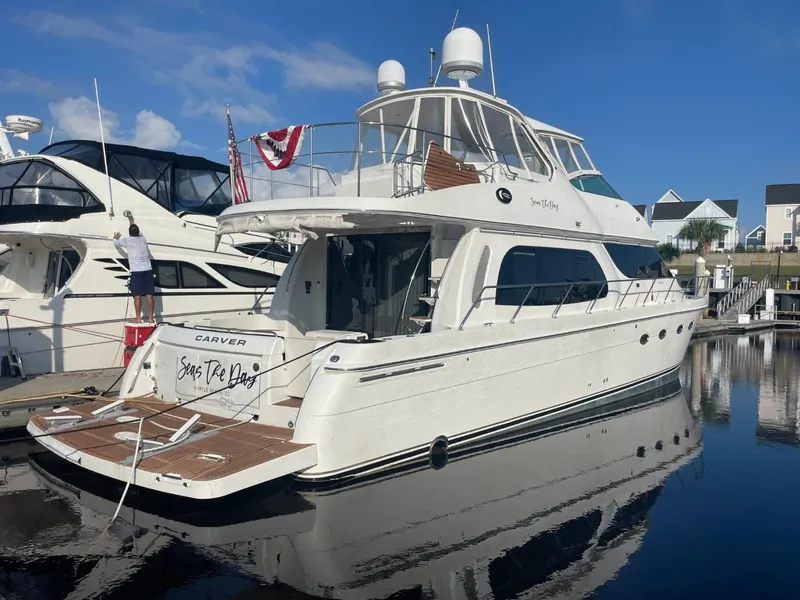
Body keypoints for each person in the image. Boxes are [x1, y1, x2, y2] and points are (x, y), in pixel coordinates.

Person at [113, 223, 155, 323]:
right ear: (138, 232)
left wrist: (115, 237)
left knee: (137, 295)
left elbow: (116, 243)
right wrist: (132, 222)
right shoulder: (143, 240)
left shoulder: (127, 240)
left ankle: (138, 318)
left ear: (129, 233)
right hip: (148, 270)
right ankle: (150, 318)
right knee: (149, 295)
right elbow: (140, 234)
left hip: (137, 271)